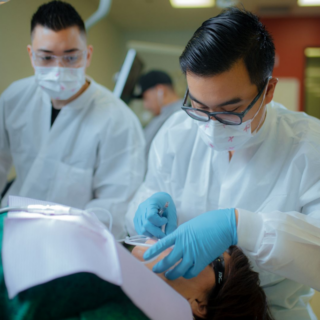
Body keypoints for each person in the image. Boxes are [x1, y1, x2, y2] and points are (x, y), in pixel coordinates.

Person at [126, 7, 320, 320]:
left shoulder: (309, 146)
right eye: (200, 107)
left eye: (230, 111)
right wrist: (144, 210)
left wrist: (242, 227)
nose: (211, 125)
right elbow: (144, 203)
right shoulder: (176, 133)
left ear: (268, 90)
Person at [0, 1, 145, 239]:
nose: (58, 70)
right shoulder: (14, 99)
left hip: (76, 241)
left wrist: (66, 239)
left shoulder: (118, 120)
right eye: (46, 58)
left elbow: (115, 204)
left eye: (70, 58)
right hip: (13, 226)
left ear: (87, 55)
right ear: (31, 55)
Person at [135, 70, 182, 158]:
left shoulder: (180, 116)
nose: (146, 106)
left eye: (146, 98)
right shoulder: (163, 115)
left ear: (160, 90)